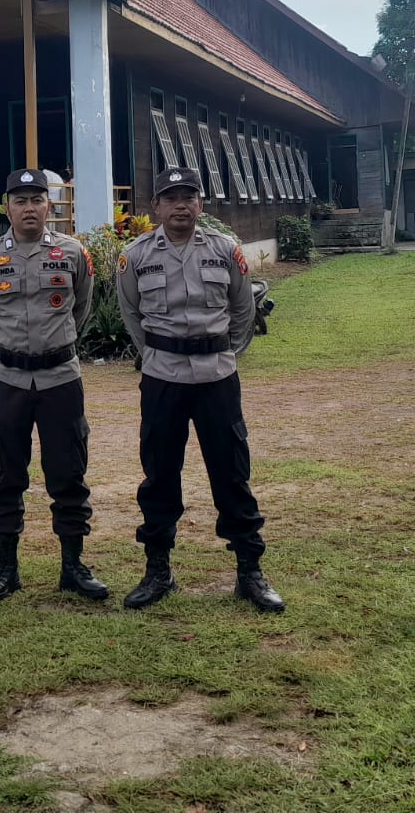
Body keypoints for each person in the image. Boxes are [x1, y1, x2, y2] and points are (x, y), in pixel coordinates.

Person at [114, 166, 285, 613]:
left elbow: (243, 308)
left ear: (201, 204)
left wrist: (223, 351)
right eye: (171, 198)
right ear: (156, 207)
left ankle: (250, 572)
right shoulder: (134, 257)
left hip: (216, 378)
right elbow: (132, 315)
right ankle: (158, 572)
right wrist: (158, 354)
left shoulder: (227, 250)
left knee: (231, 473)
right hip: (162, 379)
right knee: (160, 474)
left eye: (189, 197)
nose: (181, 205)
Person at [0, 168, 106, 603]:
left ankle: (73, 567)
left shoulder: (73, 254)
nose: (29, 208)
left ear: (50, 206)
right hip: (6, 378)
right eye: (20, 200)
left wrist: (52, 347)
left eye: (36, 199)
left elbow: (80, 309)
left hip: (60, 379)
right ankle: (6, 570)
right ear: (7, 208)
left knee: (68, 472)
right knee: (7, 473)